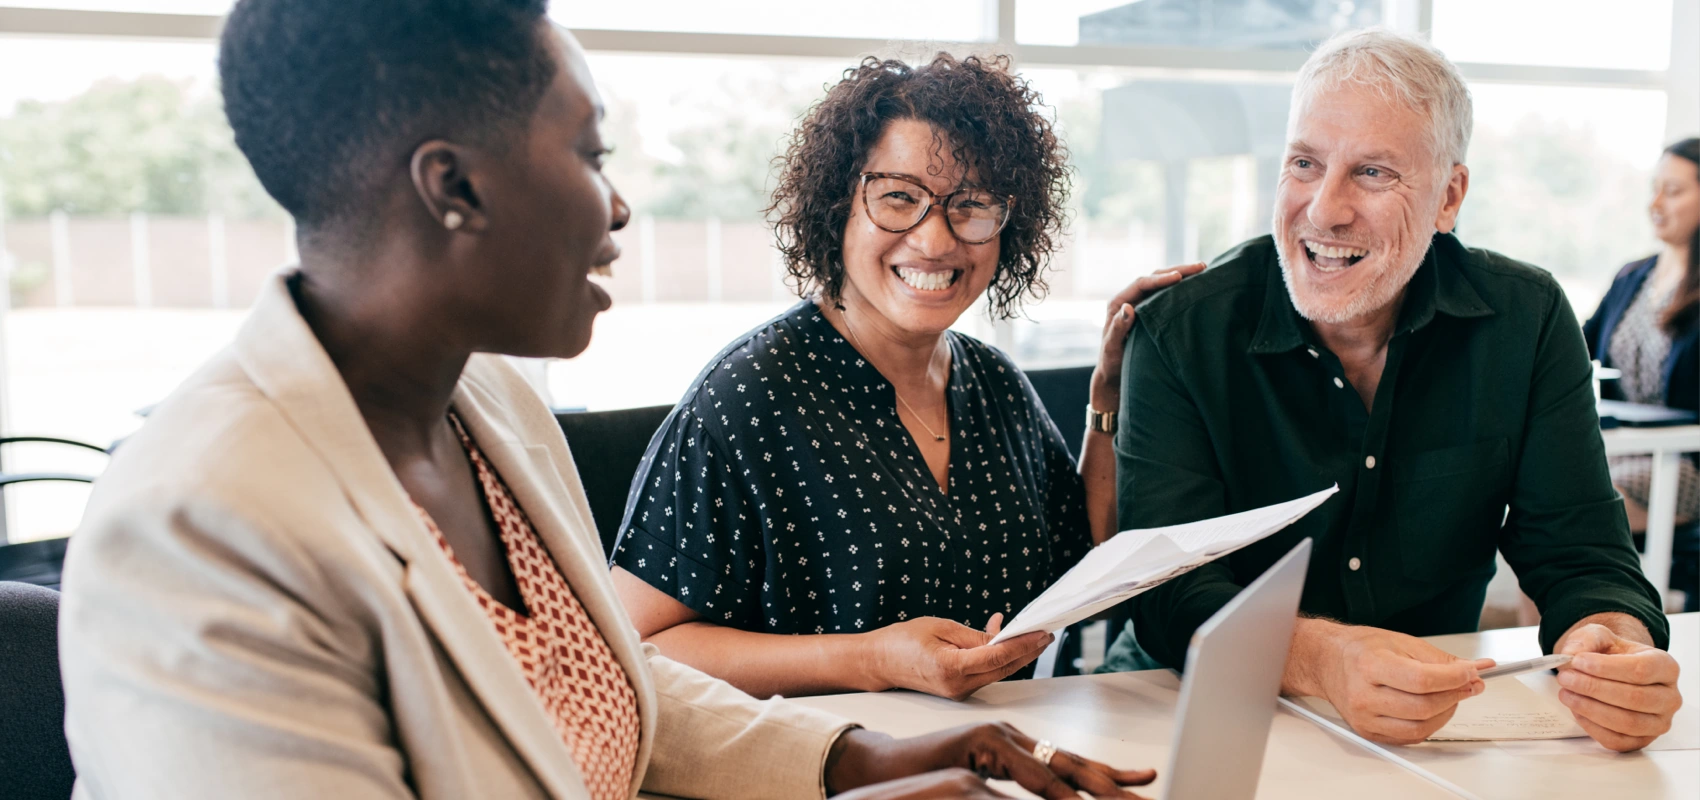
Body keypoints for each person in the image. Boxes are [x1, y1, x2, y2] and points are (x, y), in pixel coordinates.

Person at [56, 2, 1161, 798]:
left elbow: (612, 686)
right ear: (455, 186)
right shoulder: (200, 523)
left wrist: (861, 757)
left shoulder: (487, 405)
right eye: (589, 152)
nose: (621, 204)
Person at [1103, 28, 1681, 753]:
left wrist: (1611, 645)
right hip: (1189, 696)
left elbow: (1581, 554)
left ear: (1449, 197)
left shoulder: (1526, 318)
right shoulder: (1181, 331)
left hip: (1430, 716)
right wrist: (1323, 659)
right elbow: (1169, 590)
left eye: (1373, 173)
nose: (1324, 210)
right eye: (1304, 163)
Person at [611, 53, 1202, 701]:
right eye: (900, 198)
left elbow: (1087, 556)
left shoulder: (993, 383)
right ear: (839, 206)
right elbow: (641, 647)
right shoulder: (747, 397)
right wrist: (869, 660)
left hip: (997, 752)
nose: (936, 240)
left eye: (971, 205)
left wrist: (1109, 394)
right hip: (826, 768)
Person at [1583, 137, 1700, 612]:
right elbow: (1575, 350)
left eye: (1672, 191)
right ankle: (1546, 656)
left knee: (1576, 517)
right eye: (1654, 189)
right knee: (1539, 503)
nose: (1655, 204)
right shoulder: (1634, 276)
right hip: (1625, 449)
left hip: (1685, 461)